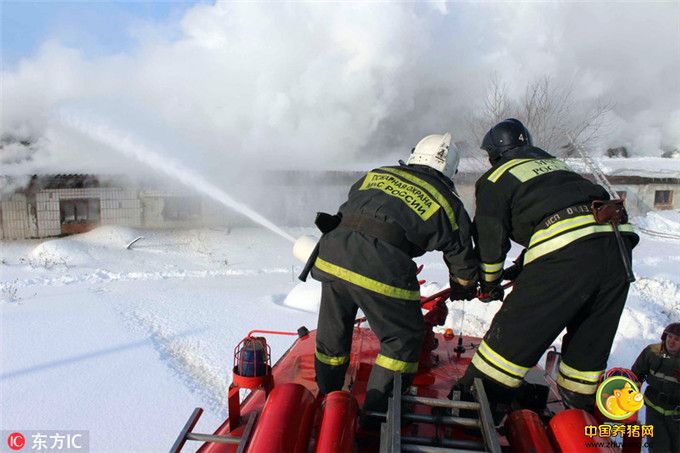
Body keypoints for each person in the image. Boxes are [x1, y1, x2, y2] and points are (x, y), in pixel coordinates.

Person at [455, 118, 639, 417]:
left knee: (506, 349)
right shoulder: (558, 167)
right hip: (617, 249)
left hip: (569, 254)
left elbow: (491, 240)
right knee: (587, 350)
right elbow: (564, 218)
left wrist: (489, 284)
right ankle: (575, 413)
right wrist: (523, 266)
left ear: (493, 154)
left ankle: (471, 407)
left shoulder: (496, 178)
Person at [309, 133, 479, 419]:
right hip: (382, 265)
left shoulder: (376, 174)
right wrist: (464, 284)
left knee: (333, 332)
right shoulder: (447, 201)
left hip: (333, 253)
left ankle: (328, 394)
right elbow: (460, 251)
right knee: (403, 338)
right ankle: (377, 411)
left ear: (413, 156)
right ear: (450, 170)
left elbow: (353, 203)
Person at [632, 323, 680, 453]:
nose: (672, 341)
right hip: (654, 410)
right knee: (658, 449)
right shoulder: (652, 352)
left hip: (677, 415)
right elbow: (634, 376)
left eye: (677, 339)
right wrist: (630, 400)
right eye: (670, 336)